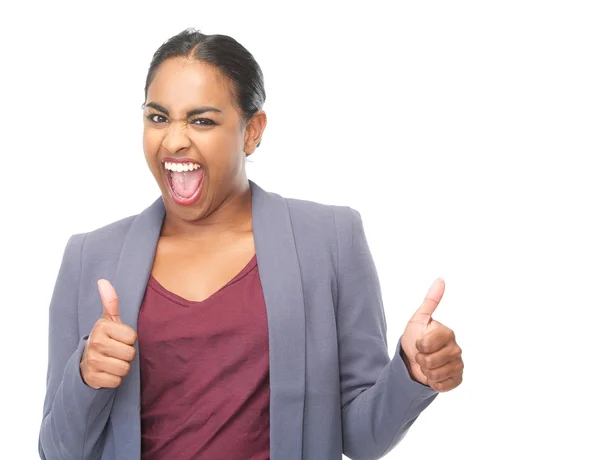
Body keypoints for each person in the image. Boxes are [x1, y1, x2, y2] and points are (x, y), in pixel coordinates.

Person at [38, 28, 464, 460]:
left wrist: (411, 372)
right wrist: (87, 376)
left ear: (251, 131)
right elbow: (58, 451)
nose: (173, 140)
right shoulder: (89, 257)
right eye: (158, 117)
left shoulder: (330, 240)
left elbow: (360, 438)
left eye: (202, 120)